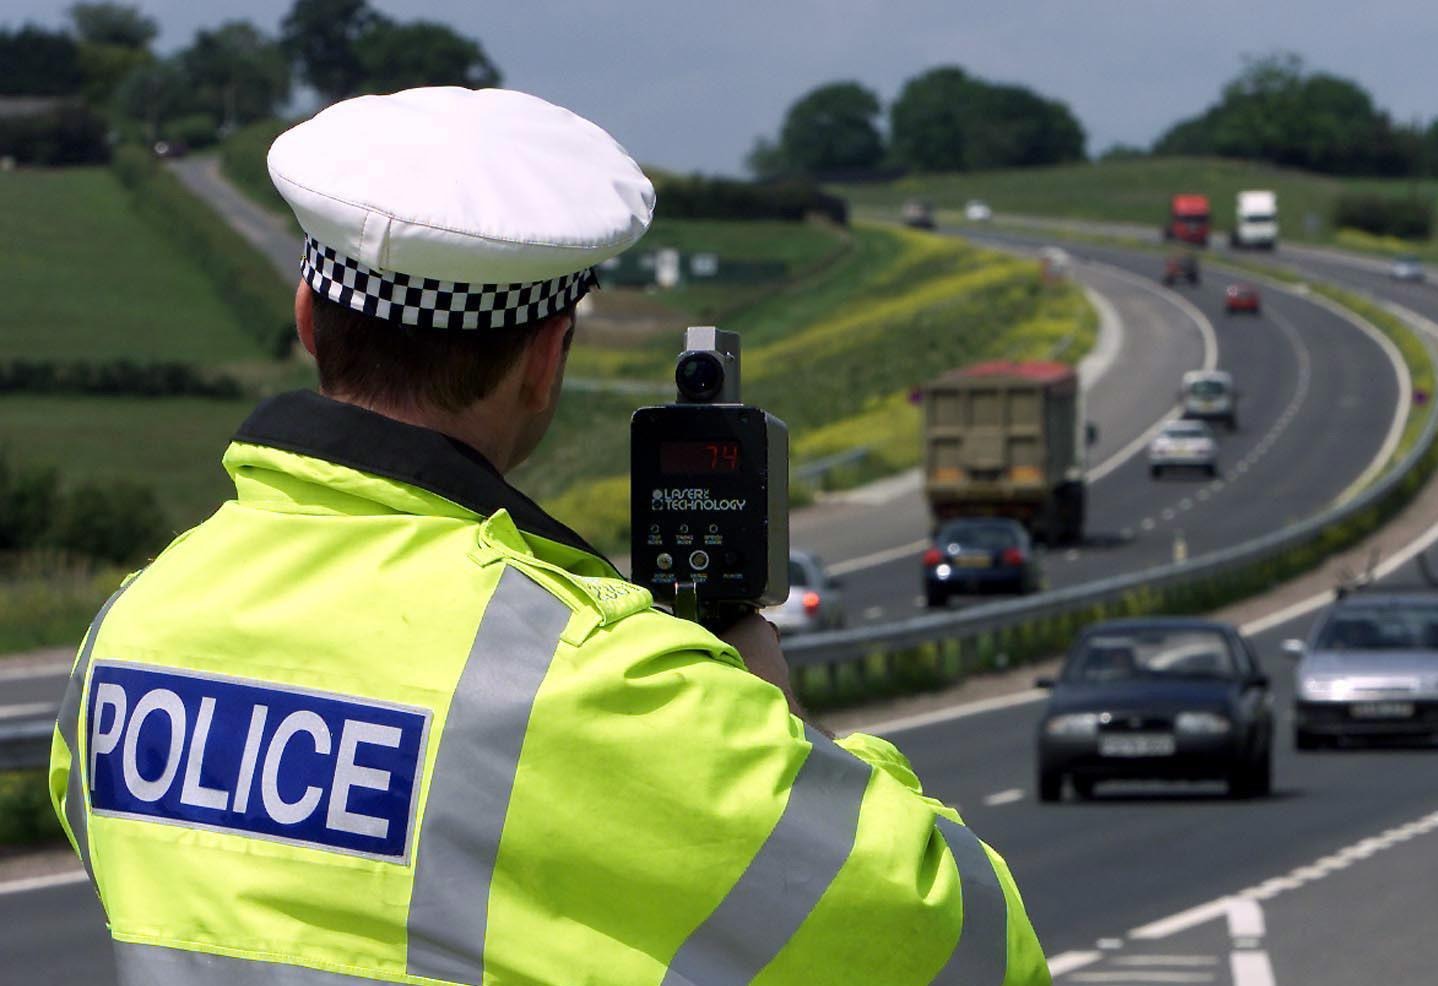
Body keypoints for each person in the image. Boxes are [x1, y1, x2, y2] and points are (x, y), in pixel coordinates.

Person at [48, 87, 1049, 985]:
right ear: (545, 357)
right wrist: (780, 719)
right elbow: (960, 946)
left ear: (309, 317)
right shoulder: (591, 681)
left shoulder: (129, 631)